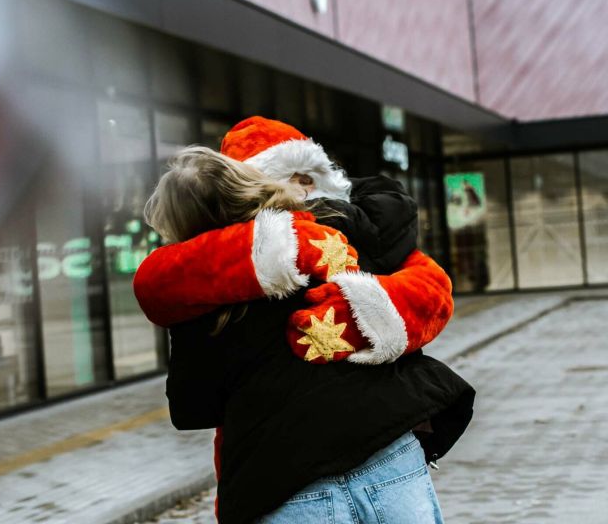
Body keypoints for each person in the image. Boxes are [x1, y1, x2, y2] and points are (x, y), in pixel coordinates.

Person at [134, 147, 475, 523]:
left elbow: (193, 407)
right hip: (385, 449)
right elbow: (393, 207)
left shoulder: (196, 305)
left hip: (281, 479)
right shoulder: (330, 231)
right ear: (251, 183)